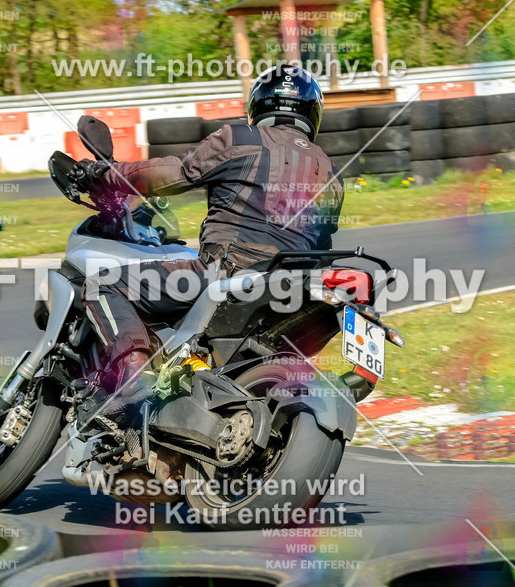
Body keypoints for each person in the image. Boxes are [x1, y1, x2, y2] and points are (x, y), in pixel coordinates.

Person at [78, 64, 344, 425]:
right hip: (290, 288)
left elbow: (172, 174)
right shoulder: (330, 171)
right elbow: (321, 243)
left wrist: (106, 175)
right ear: (313, 112)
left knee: (101, 283)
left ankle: (133, 379)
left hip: (224, 273)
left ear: (259, 105)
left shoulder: (240, 138)